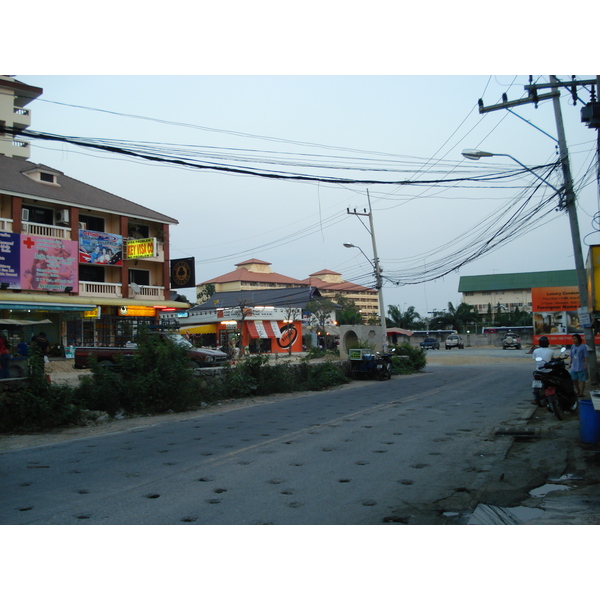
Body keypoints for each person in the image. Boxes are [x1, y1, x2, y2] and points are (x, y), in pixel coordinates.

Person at [569, 333, 589, 398]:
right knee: (574, 379)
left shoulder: (583, 347)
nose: (574, 340)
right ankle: (577, 390)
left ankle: (581, 393)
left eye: (575, 339)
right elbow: (571, 356)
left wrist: (586, 364)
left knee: (582, 380)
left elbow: (586, 356)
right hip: (574, 366)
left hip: (581, 366)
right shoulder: (573, 346)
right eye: (573, 339)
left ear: (579, 339)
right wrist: (570, 364)